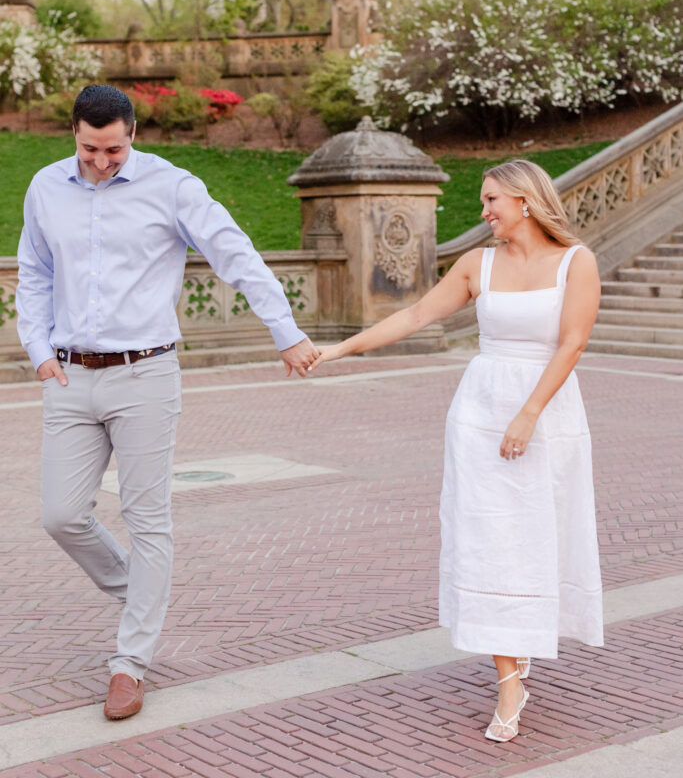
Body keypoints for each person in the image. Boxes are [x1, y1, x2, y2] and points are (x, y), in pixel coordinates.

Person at [16, 84, 318, 721]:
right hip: (69, 376)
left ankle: (129, 663)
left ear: (133, 135)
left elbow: (232, 252)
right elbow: (36, 270)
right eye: (91, 149)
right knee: (61, 515)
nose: (102, 161)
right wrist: (37, 347)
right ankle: (143, 597)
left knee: (146, 518)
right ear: (74, 134)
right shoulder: (45, 187)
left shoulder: (172, 185)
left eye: (115, 149)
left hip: (145, 374)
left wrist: (284, 330)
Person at [311, 159, 603, 742]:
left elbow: (572, 343)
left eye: (492, 199)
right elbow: (417, 313)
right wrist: (341, 350)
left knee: (535, 537)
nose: (485, 210)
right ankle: (509, 677)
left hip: (545, 415)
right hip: (479, 415)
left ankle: (525, 650)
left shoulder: (577, 262)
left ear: (525, 200)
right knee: (489, 540)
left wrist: (528, 414)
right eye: (484, 201)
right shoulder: (478, 264)